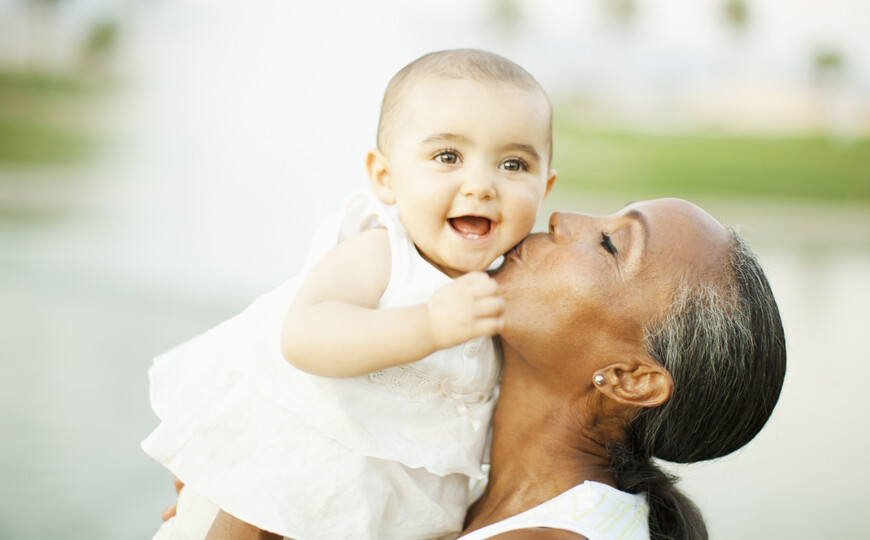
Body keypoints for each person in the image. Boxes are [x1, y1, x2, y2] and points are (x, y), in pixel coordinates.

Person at [142, 48, 556, 540]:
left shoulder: (506, 288)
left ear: (546, 187)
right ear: (386, 178)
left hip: (392, 513)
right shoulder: (382, 253)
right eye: (448, 157)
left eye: (513, 164)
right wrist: (428, 325)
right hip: (281, 481)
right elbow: (304, 336)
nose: (481, 184)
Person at [198, 198, 786, 539]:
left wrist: (247, 504)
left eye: (610, 245)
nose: (563, 217)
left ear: (631, 379)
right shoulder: (448, 485)